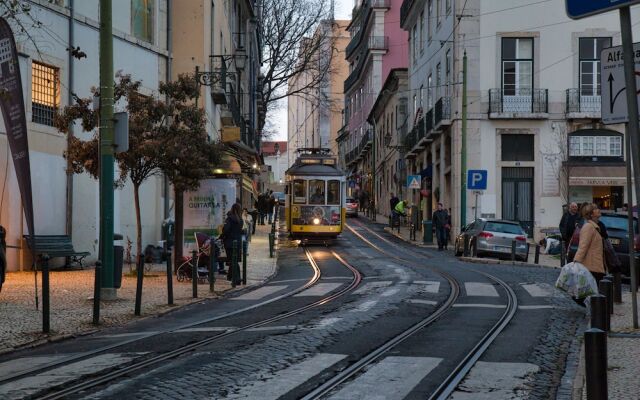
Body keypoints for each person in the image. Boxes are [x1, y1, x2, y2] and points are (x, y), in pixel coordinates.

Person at [573, 203, 606, 284]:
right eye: (595, 209)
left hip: (595, 265)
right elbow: (583, 246)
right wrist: (576, 262)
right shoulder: (588, 227)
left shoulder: (595, 226)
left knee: (593, 292)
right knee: (590, 293)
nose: (598, 209)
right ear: (591, 214)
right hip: (591, 267)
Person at [221, 203, 243, 284]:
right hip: (238, 243)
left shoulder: (229, 219)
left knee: (233, 261)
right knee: (234, 260)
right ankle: (230, 277)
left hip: (230, 243)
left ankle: (237, 278)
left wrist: (222, 236)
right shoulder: (240, 220)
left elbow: (226, 230)